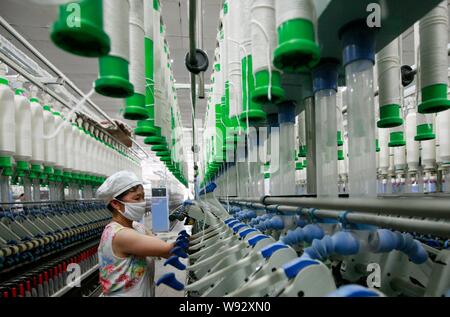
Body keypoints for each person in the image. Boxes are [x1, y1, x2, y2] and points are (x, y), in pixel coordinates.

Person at [96, 171, 175, 297]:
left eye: (143, 197)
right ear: (116, 204)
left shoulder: (137, 227)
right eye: (137, 198)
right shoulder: (119, 235)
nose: (142, 202)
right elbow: (168, 250)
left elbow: (162, 249)